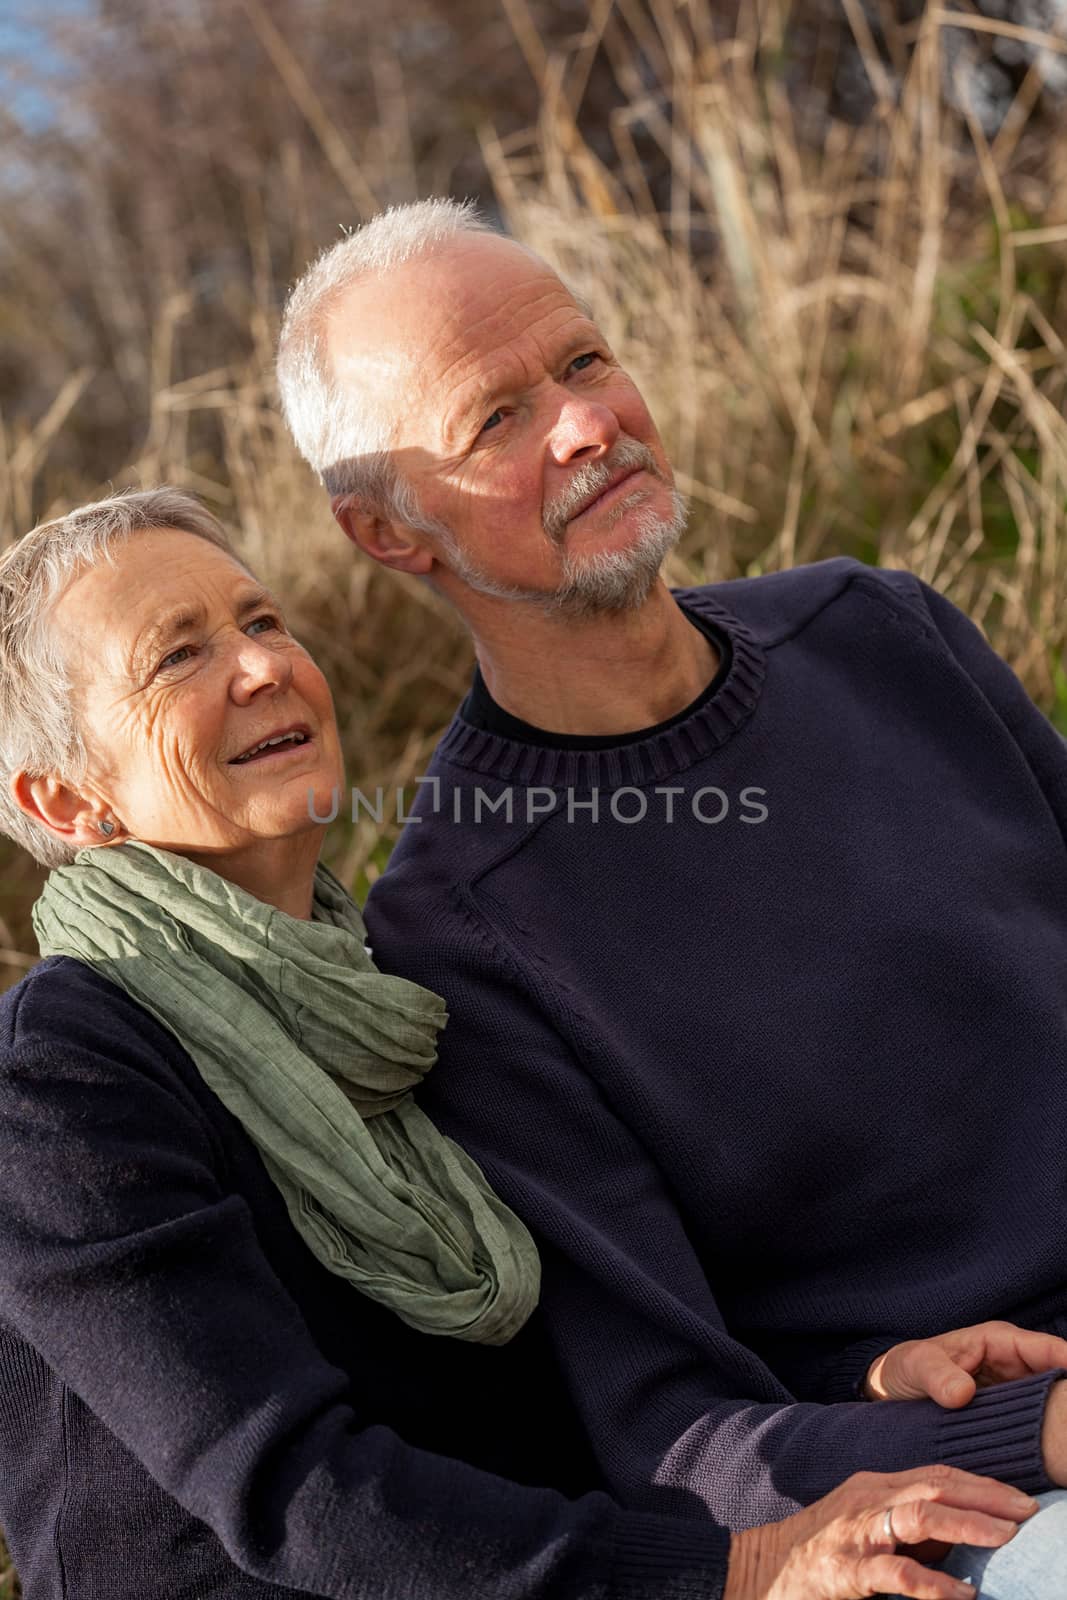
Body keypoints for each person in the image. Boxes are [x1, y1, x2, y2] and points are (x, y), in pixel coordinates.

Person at [0, 487, 1035, 1600]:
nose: (261, 667)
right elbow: (287, 1485)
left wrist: (861, 1378)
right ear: (63, 800)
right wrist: (732, 1569)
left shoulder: (395, 1006)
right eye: (179, 657)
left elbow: (591, 1379)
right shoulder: (64, 1065)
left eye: (261, 621)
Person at [273, 198, 1067, 1589]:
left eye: (581, 363)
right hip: (999, 1496)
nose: (584, 426)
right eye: (495, 421)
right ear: (389, 534)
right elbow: (675, 1434)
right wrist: (1041, 1434)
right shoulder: (460, 932)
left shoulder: (879, 631)